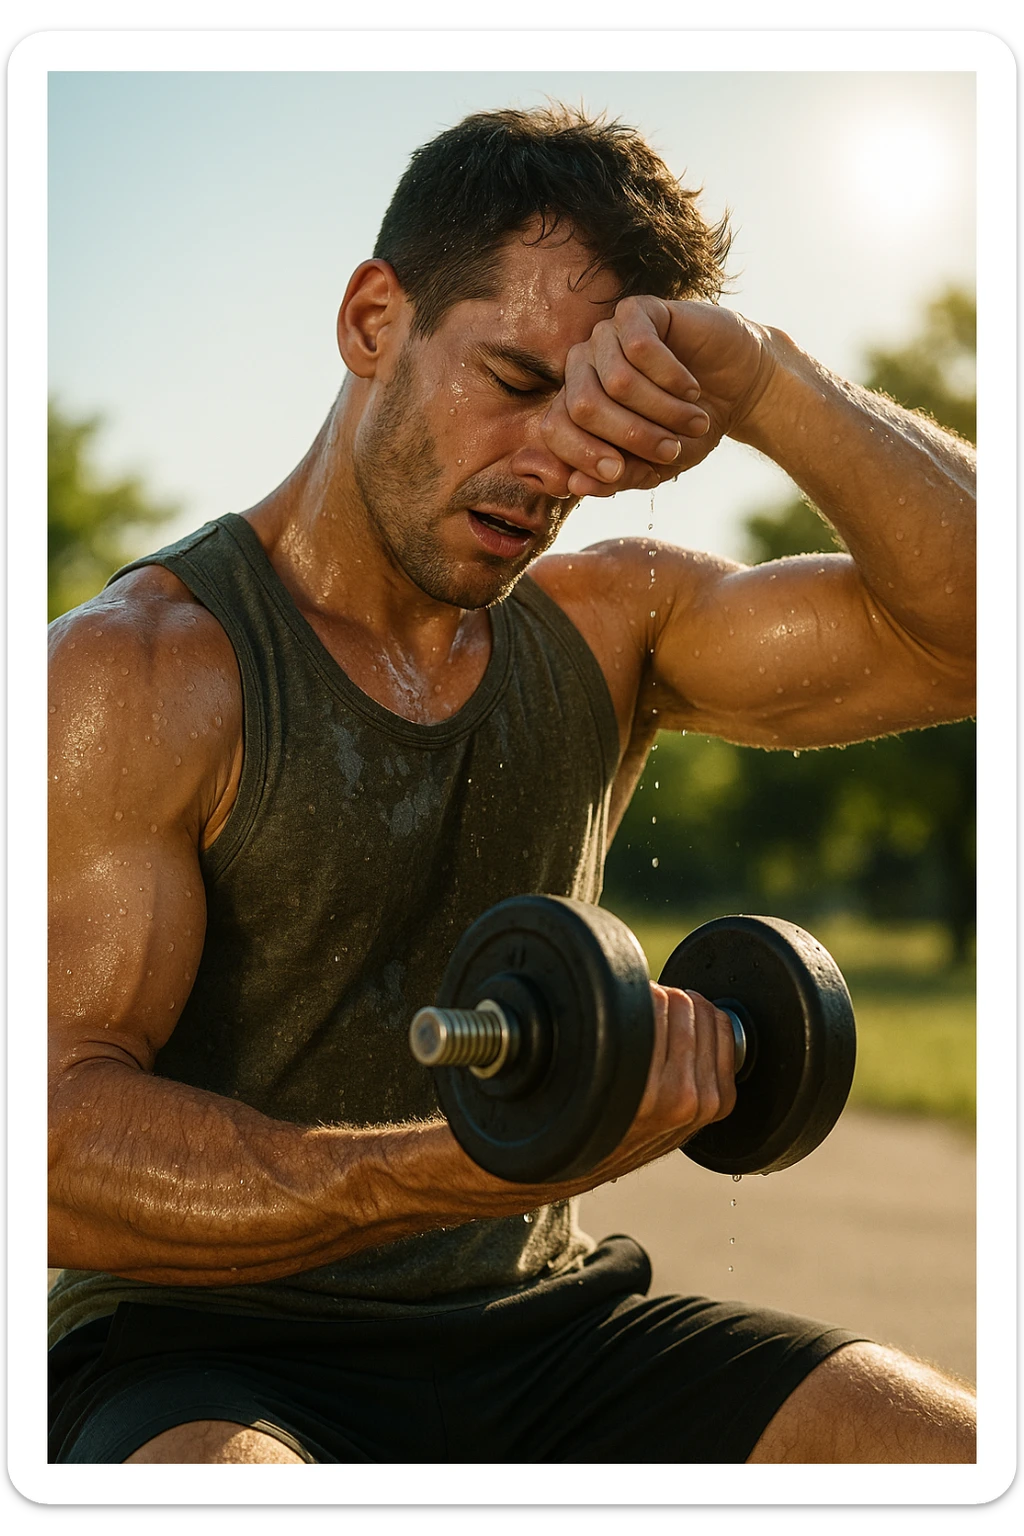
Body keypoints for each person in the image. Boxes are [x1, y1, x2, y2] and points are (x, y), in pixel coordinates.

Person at [47, 105, 977, 1466]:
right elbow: (51, 1140)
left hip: (544, 1332)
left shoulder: (617, 627)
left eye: (598, 418)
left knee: (948, 1449)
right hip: (202, 1350)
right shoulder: (142, 674)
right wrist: (459, 1164)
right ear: (377, 322)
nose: (560, 468)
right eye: (516, 378)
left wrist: (767, 381)